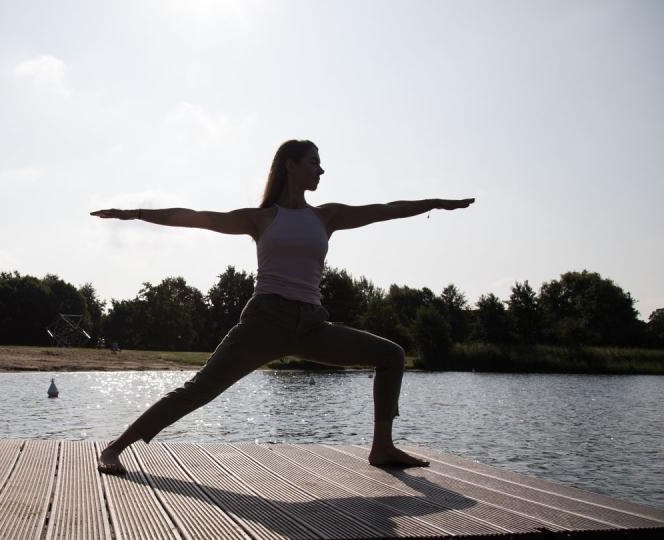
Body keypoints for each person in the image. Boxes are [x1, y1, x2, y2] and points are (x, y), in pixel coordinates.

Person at [90, 139, 475, 474]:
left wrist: (435, 203)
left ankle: (382, 448)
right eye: (313, 162)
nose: (321, 170)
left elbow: (385, 208)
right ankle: (115, 448)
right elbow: (193, 219)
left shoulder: (328, 216)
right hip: (265, 322)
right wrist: (134, 213)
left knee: (392, 355)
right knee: (200, 389)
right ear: (290, 165)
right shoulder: (261, 218)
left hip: (312, 325)